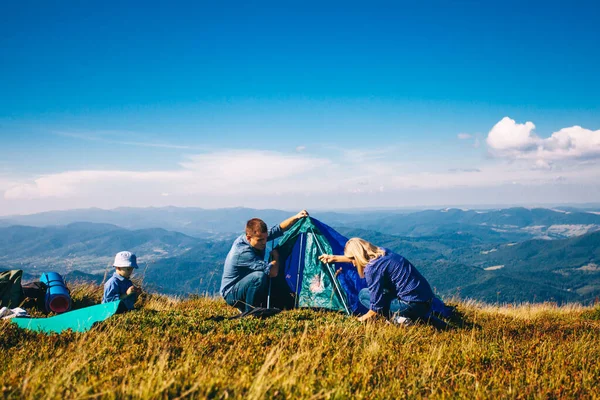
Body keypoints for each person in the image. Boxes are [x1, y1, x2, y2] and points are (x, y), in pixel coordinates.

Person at [319, 237, 439, 326]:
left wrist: (358, 321)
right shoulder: (383, 252)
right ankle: (417, 317)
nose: (353, 263)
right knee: (373, 293)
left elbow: (376, 307)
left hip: (412, 305)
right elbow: (360, 256)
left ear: (357, 256)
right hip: (426, 300)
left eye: (353, 260)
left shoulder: (372, 268)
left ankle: (399, 320)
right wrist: (335, 258)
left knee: (364, 295)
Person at [220, 210, 309, 312]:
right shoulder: (243, 252)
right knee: (259, 277)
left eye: (266, 238)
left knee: (264, 279)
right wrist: (275, 257)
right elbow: (272, 272)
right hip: (231, 294)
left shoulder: (257, 237)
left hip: (245, 285)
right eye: (260, 240)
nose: (264, 242)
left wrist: (296, 217)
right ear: (249, 238)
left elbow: (278, 229)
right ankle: (250, 312)